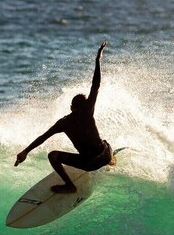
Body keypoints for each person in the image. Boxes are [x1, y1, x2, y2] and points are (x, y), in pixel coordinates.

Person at [14, 41, 114, 194]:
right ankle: (111, 161)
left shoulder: (64, 123)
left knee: (53, 155)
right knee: (106, 143)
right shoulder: (88, 112)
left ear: (71, 107)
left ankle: (69, 185)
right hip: (104, 156)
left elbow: (43, 137)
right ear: (85, 105)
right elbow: (96, 85)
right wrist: (97, 60)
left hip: (88, 163)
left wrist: (25, 151)